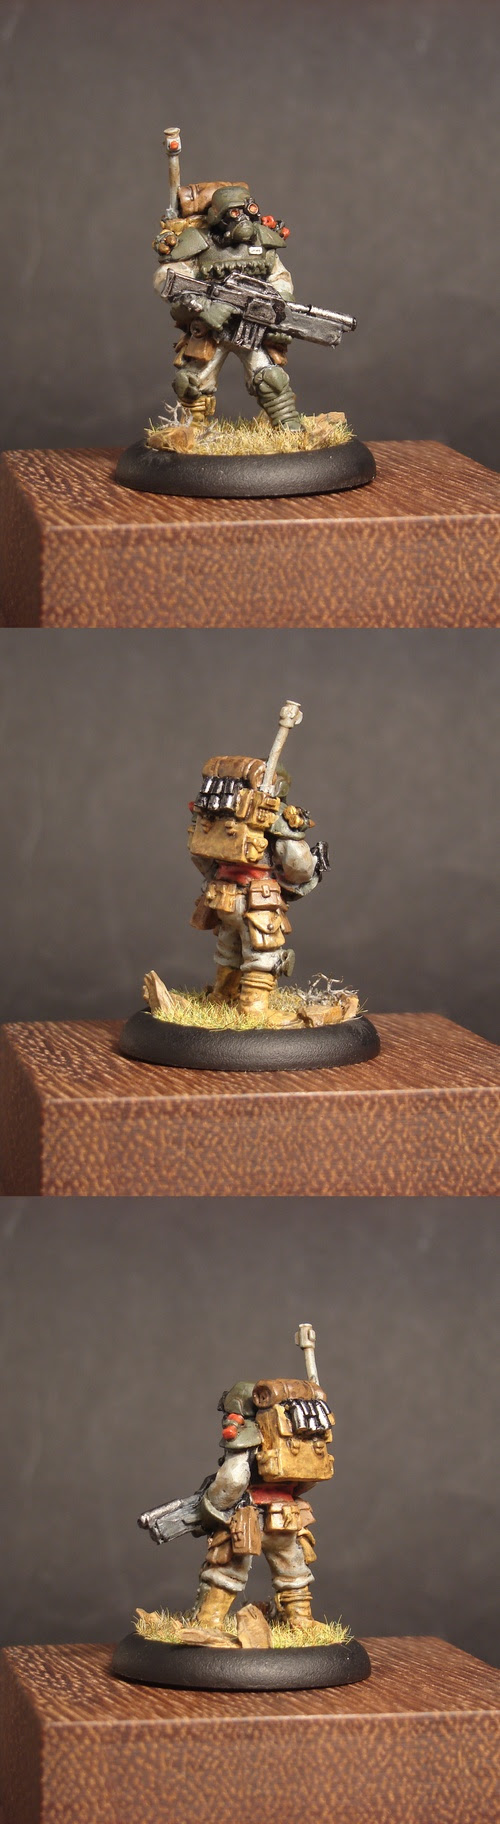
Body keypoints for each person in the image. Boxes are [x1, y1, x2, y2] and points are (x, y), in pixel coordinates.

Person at [154, 183, 302, 431]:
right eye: (233, 212)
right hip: (211, 328)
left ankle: (289, 425)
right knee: (190, 384)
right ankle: (192, 431)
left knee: (271, 379)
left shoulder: (263, 242)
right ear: (217, 217)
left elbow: (280, 278)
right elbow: (167, 280)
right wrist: (203, 307)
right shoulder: (198, 243)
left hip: (252, 326)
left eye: (247, 210)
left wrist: (280, 309)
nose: (242, 218)